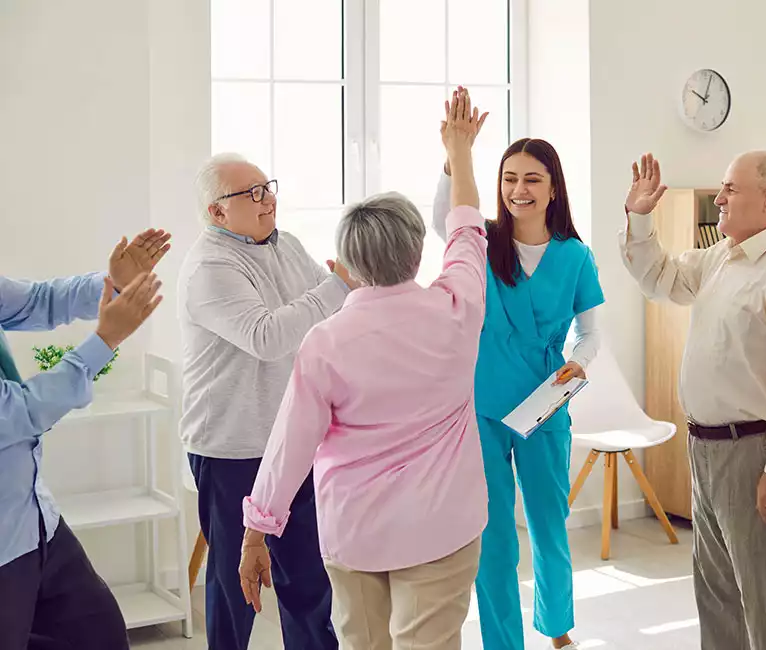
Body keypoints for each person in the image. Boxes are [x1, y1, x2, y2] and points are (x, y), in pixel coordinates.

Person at [238, 88, 488, 650]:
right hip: (441, 528)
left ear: (346, 264)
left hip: (355, 532)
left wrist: (258, 529)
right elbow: (468, 230)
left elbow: (289, 446)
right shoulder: (459, 308)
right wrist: (460, 152)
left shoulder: (326, 341)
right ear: (418, 250)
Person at [620, 150, 766, 649]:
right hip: (707, 451)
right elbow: (661, 280)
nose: (718, 197)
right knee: (717, 599)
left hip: (757, 455)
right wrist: (640, 217)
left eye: (730, 189)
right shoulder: (724, 255)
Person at [431, 93, 604, 650]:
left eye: (532, 179)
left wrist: (578, 364)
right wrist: (454, 157)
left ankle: (557, 628)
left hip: (545, 406)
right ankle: (502, 642)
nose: (518, 190)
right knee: (495, 536)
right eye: (509, 179)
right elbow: (443, 219)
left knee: (550, 527)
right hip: (481, 405)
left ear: (554, 188)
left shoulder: (575, 255)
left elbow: (593, 332)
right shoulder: (482, 242)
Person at [178, 154, 351, 650]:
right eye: (251, 193)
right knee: (237, 586)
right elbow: (267, 336)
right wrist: (338, 285)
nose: (268, 199)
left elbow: (322, 319)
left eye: (267, 187)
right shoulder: (209, 268)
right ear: (217, 212)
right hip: (231, 447)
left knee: (308, 581)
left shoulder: (287, 245)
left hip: (293, 440)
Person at [0, 230, 169, 650]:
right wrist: (105, 341)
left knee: (100, 636)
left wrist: (112, 285)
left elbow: (39, 300)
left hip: (36, 522)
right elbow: (20, 412)